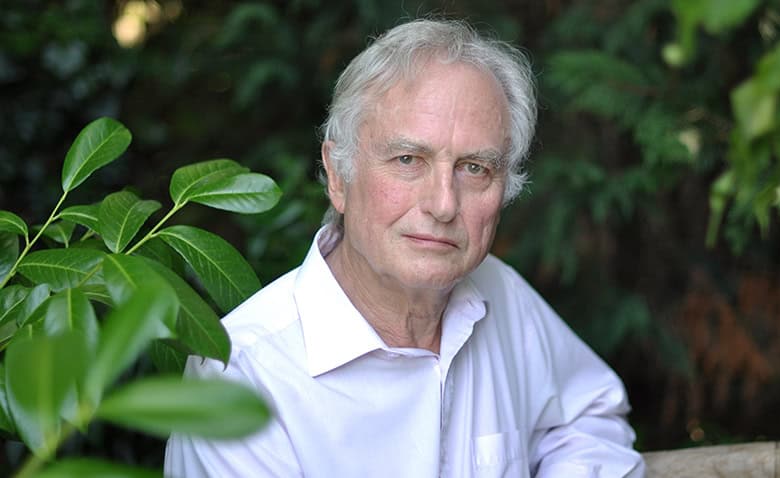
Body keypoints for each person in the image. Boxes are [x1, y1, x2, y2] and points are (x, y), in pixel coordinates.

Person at [164, 18, 644, 478]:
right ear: (338, 174)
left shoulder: (502, 295)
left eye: (475, 168)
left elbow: (590, 418)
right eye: (408, 159)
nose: (442, 204)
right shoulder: (241, 378)